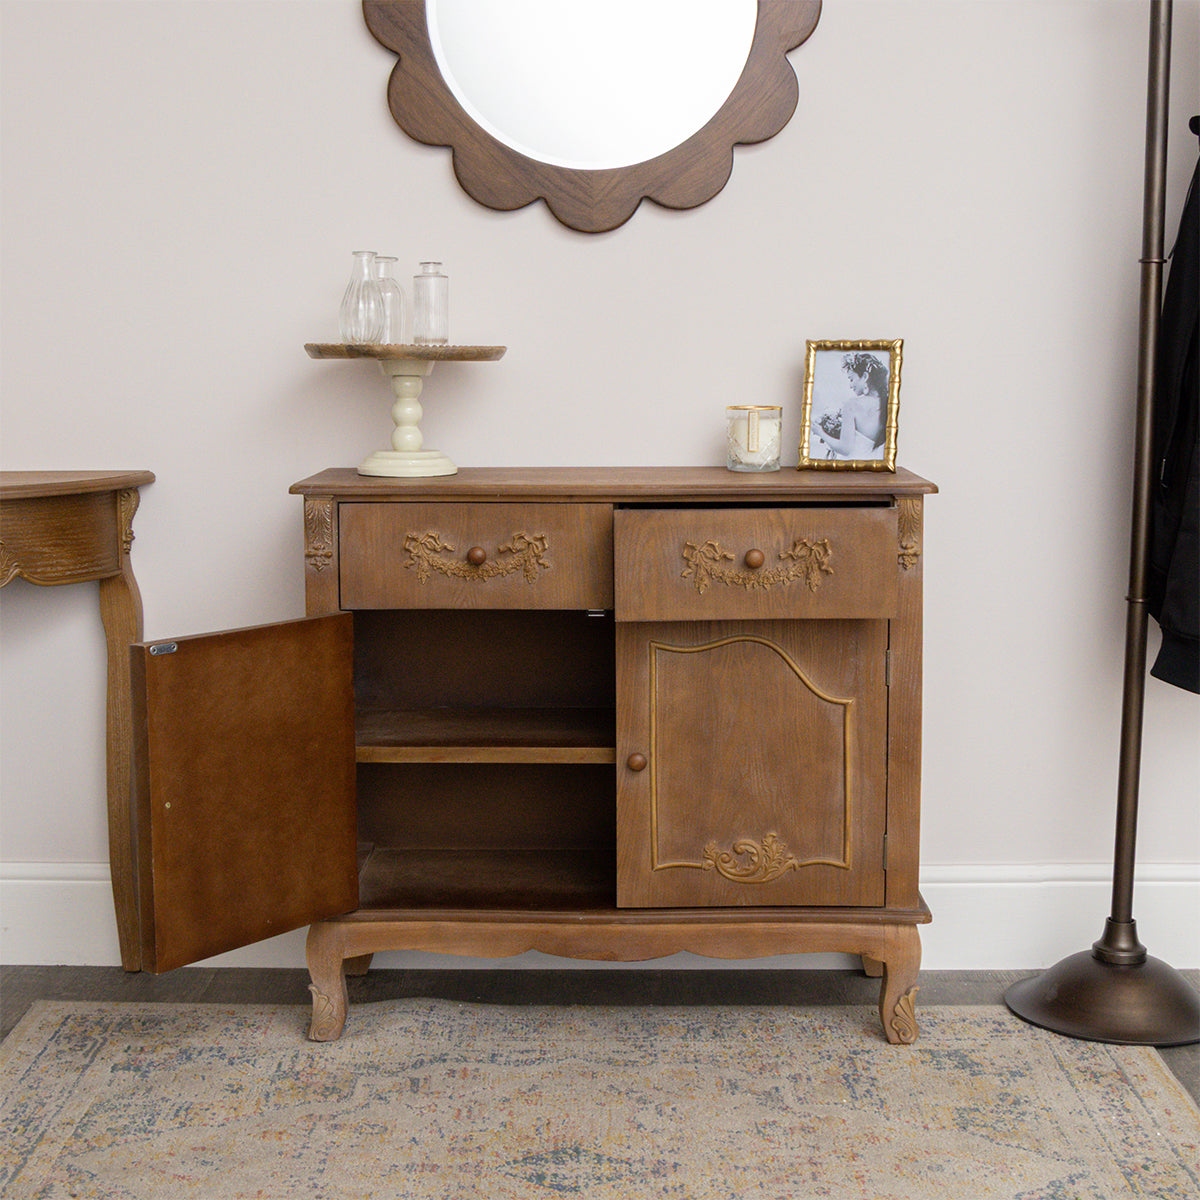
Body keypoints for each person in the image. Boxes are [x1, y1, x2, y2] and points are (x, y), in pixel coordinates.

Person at [810, 352, 888, 459]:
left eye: (851, 379)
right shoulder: (886, 404)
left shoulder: (852, 405)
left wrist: (820, 432)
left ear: (865, 376)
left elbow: (845, 449)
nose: (851, 385)